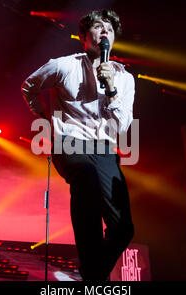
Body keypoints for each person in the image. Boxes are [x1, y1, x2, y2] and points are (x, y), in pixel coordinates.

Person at [21, 9, 135, 280]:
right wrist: (44, 115)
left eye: (109, 27)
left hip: (104, 149)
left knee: (123, 228)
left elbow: (122, 127)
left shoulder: (124, 78)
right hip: (70, 143)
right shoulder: (63, 66)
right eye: (98, 26)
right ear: (84, 37)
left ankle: (93, 275)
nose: (105, 31)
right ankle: (94, 277)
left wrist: (113, 91)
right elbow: (29, 87)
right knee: (86, 180)